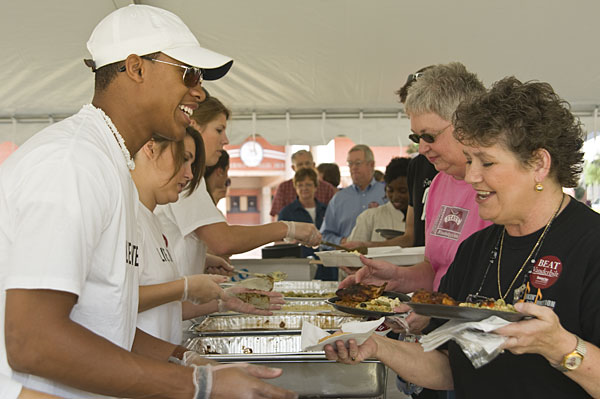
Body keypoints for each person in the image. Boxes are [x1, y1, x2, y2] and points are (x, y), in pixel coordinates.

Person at [0, 5, 296, 399]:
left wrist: (184, 357)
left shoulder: (109, 165)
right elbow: (32, 342)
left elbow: (103, 321)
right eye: (188, 73)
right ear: (136, 68)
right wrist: (199, 385)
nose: (199, 89)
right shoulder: (72, 163)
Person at [326, 77, 600, 399]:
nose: (471, 177)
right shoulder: (477, 249)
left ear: (539, 164)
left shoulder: (590, 245)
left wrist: (562, 348)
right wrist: (378, 347)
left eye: (487, 162)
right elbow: (449, 367)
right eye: (470, 160)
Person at [341, 63, 491, 296]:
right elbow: (436, 268)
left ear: (467, 125)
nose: (422, 148)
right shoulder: (439, 184)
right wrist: (396, 276)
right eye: (416, 136)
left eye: (429, 136)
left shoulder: (498, 187)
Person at [133, 129, 282, 345]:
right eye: (184, 160)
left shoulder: (155, 223)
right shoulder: (125, 218)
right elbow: (115, 303)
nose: (190, 175)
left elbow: (166, 309)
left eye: (192, 165)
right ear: (150, 148)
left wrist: (224, 301)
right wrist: (186, 287)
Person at [157, 96, 321, 277]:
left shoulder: (190, 178)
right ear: (195, 126)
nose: (225, 140)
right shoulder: (187, 179)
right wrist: (288, 228)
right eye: (219, 130)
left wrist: (202, 260)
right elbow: (223, 240)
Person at [348, 157, 410, 242]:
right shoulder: (369, 218)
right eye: (390, 190)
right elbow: (353, 250)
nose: (395, 196)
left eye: (402, 191)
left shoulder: (426, 218)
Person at [278, 168, 327, 260]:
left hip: (326, 266)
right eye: (300, 185)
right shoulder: (286, 213)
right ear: (295, 188)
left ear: (316, 187)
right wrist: (292, 243)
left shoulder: (327, 210)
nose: (304, 188)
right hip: (300, 264)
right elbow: (277, 243)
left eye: (308, 184)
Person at [270, 150, 337, 217]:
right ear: (293, 168)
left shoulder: (327, 188)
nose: (304, 167)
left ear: (313, 165)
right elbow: (278, 217)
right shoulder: (284, 188)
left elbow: (334, 215)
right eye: (300, 164)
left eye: (307, 163)